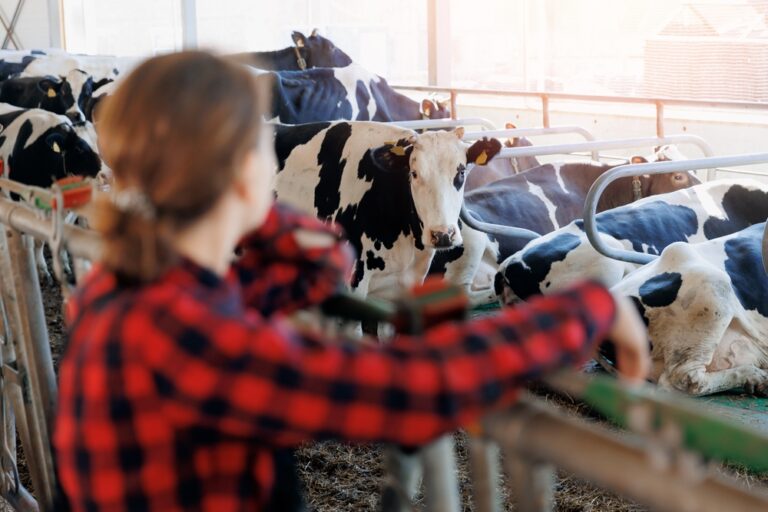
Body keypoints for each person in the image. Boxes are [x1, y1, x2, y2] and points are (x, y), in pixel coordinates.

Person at [54, 51, 650, 512]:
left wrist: (252, 211)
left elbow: (323, 260)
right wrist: (590, 310)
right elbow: (406, 392)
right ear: (241, 172)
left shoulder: (129, 286)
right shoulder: (188, 333)